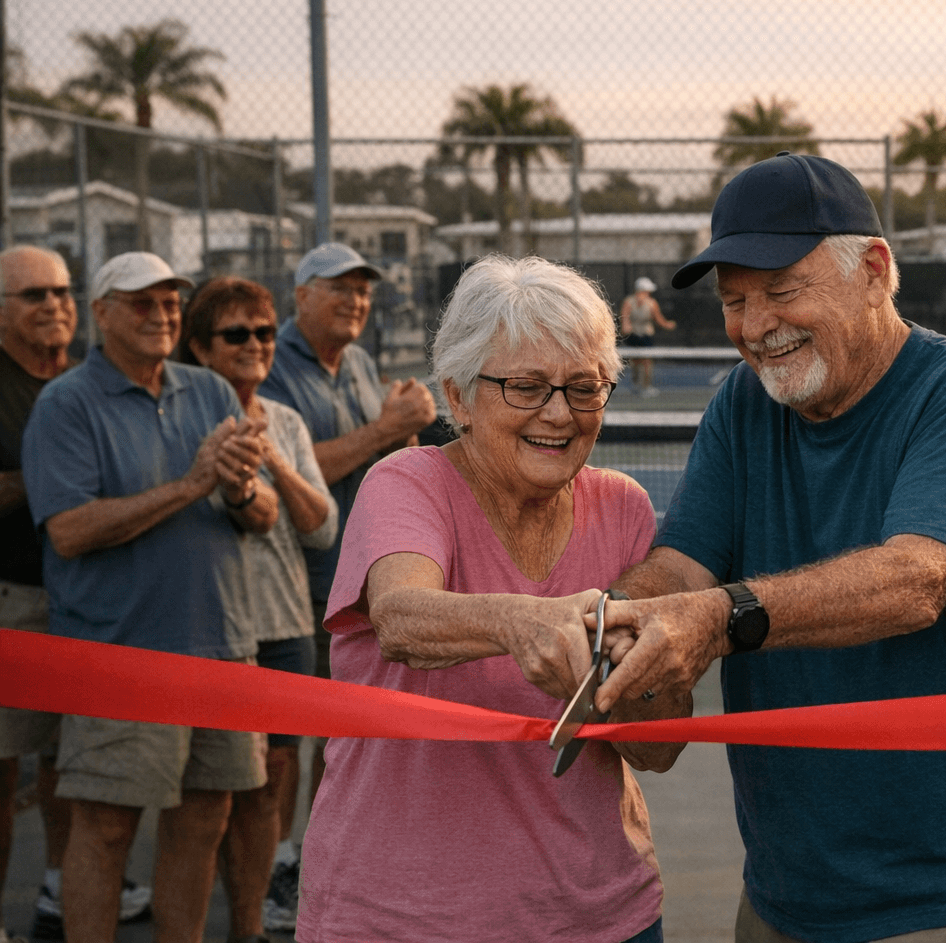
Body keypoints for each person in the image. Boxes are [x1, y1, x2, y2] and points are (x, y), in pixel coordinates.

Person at [594, 154, 946, 943]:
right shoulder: (743, 403)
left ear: (873, 271)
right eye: (735, 301)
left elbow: (916, 579)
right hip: (790, 898)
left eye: (783, 290)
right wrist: (617, 622)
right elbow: (683, 564)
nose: (756, 325)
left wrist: (713, 619)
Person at [298, 255, 683, 943]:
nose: (559, 414)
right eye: (526, 387)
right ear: (458, 397)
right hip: (403, 920)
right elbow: (401, 618)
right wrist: (524, 620)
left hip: (603, 915)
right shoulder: (406, 484)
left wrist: (641, 672)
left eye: (583, 387)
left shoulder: (626, 508)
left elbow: (657, 748)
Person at [21, 251, 276, 943]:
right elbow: (70, 531)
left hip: (222, 647)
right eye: (141, 302)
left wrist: (240, 488)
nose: (161, 314)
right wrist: (194, 484)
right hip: (121, 655)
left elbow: (263, 514)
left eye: (170, 302)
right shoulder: (66, 404)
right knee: (103, 828)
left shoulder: (212, 391)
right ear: (100, 314)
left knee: (204, 821)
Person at [256, 241, 435, 930]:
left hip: (357, 589)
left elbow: (385, 456)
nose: (355, 301)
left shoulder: (359, 363)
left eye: (362, 290)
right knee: (283, 744)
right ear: (300, 296)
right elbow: (288, 473)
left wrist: (405, 434)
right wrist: (383, 430)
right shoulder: (271, 367)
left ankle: (322, 856)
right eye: (338, 289)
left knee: (346, 736)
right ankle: (279, 864)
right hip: (290, 585)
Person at [178, 277, 338, 943]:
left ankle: (251, 917)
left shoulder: (288, 423)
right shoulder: (184, 419)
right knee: (210, 800)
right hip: (212, 629)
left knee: (274, 776)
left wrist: (271, 452)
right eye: (236, 334)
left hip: (283, 622)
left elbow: (321, 528)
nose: (255, 346)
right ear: (200, 347)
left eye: (265, 333)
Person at [0, 246, 151, 943]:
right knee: (5, 771)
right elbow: (61, 495)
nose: (54, 305)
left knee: (70, 762)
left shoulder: (84, 381)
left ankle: (62, 888)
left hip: (85, 605)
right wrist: (58, 481)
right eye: (34, 295)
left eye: (62, 291)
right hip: (14, 599)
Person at [620, 275, 677, 398]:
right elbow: (624, 317)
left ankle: (646, 387)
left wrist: (668, 325)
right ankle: (636, 385)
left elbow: (659, 319)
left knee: (647, 361)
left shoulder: (652, 303)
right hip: (633, 336)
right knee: (635, 361)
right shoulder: (629, 301)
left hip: (646, 335)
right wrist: (626, 326)